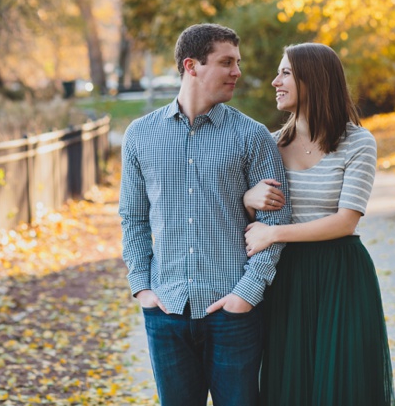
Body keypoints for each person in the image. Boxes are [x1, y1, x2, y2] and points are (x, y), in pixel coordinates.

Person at [119, 23, 292, 406]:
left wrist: (245, 295)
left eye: (238, 62)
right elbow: (132, 218)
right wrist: (143, 288)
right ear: (191, 66)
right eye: (227, 62)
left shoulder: (253, 137)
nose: (238, 72)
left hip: (233, 313)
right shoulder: (140, 135)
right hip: (166, 311)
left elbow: (277, 222)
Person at [241, 42, 395, 405]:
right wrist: (248, 200)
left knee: (341, 384)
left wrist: (274, 233)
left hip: (341, 275)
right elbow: (246, 217)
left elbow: (345, 222)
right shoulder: (271, 144)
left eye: (285, 73)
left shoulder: (359, 142)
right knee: (291, 382)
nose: (274, 81)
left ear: (313, 79)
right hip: (287, 276)